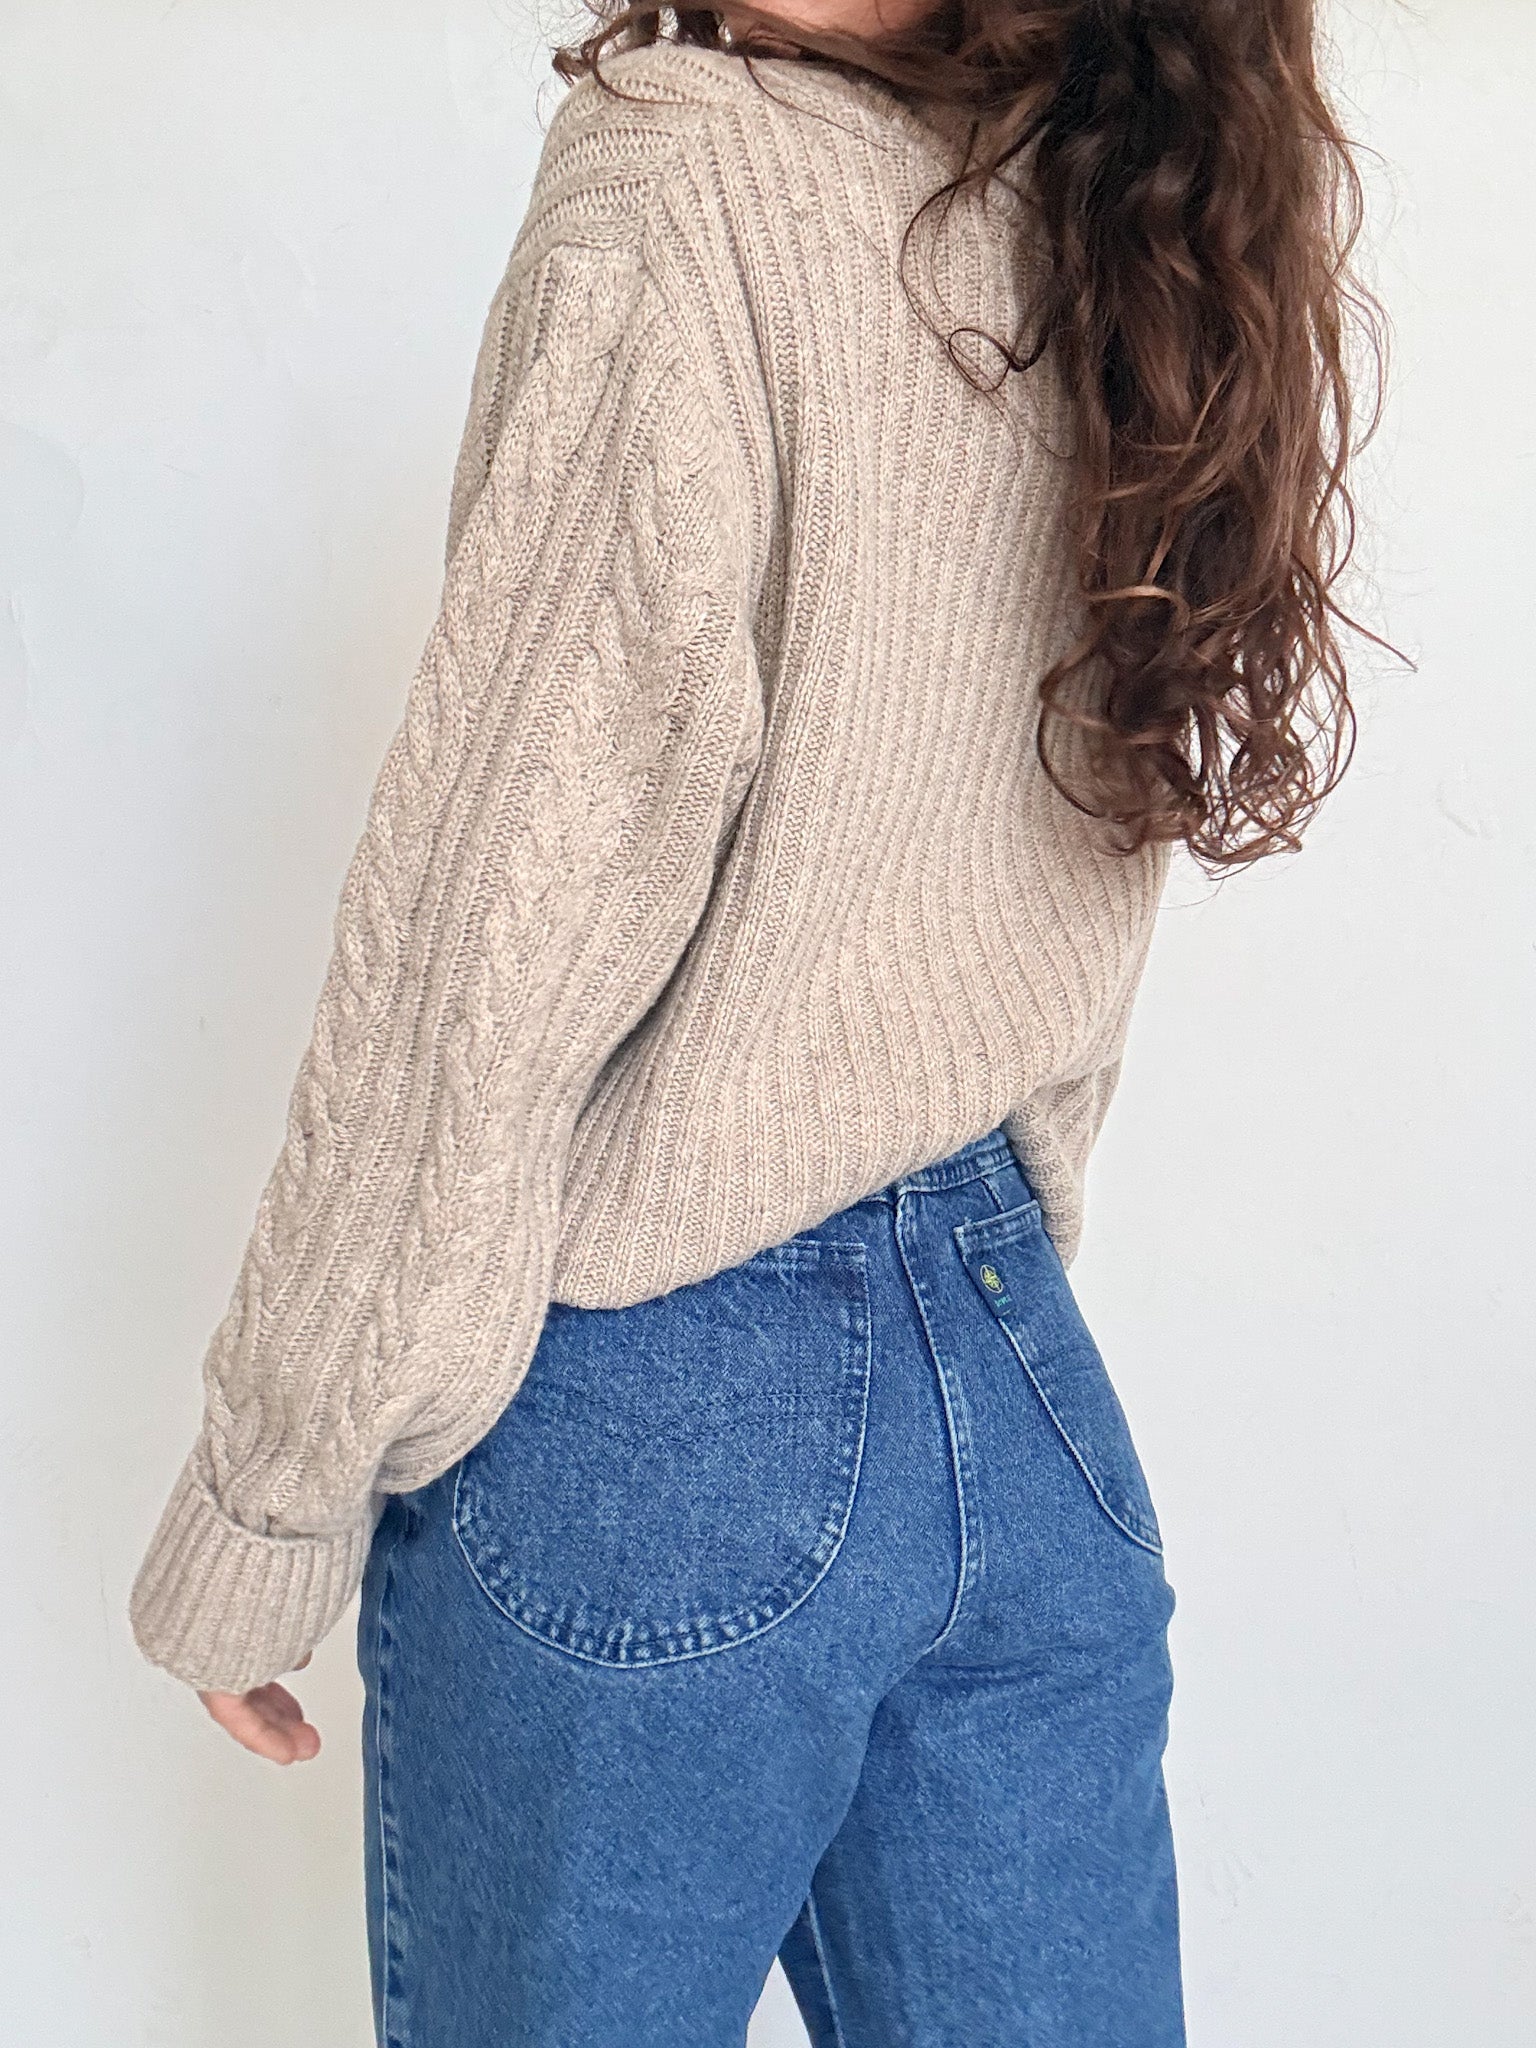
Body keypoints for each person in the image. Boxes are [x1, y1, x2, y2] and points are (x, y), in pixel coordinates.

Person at [129, 2, 1384, 2042]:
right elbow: (1071, 867)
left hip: (655, 1412)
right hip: (1018, 1394)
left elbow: (485, 932)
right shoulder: (1109, 222)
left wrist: (270, 1496)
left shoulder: (684, 179)